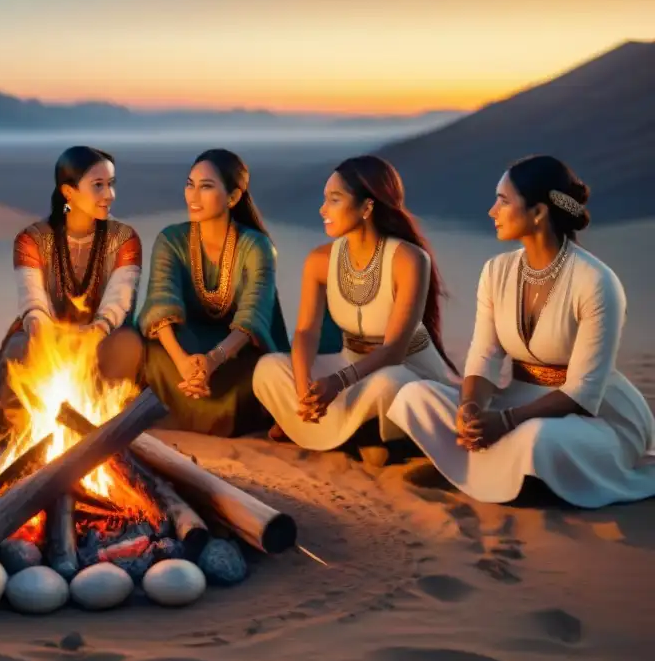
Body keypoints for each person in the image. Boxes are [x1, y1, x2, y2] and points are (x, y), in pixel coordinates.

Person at [389, 155, 655, 507]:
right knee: (416, 395)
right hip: (515, 400)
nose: (491, 211)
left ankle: (481, 469)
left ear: (538, 212)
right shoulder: (496, 271)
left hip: (592, 417)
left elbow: (582, 392)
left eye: (503, 200)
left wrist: (504, 421)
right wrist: (471, 408)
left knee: (537, 438)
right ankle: (493, 468)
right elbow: (483, 356)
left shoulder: (596, 282)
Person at [252, 155, 458, 451]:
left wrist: (337, 382)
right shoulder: (319, 261)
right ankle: (355, 433)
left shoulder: (409, 260)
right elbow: (306, 332)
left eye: (334, 200)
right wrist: (302, 388)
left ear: (366, 207)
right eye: (324, 199)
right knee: (269, 367)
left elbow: (395, 350)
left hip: (404, 369)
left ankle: (347, 434)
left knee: (391, 383)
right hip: (350, 364)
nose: (323, 210)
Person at [0, 146, 144, 439]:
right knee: (21, 351)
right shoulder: (33, 239)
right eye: (98, 186)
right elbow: (33, 301)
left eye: (111, 184)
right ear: (68, 192)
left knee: (129, 348)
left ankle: (100, 428)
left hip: (104, 339)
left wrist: (96, 332)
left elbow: (120, 301)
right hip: (46, 336)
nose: (109, 194)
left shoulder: (124, 239)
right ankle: (25, 433)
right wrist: (48, 336)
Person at [135, 149, 296, 437]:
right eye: (189, 184)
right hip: (181, 349)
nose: (193, 196)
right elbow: (161, 301)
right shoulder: (170, 240)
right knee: (138, 352)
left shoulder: (256, 246)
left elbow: (254, 316)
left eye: (206, 187)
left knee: (254, 379)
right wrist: (184, 362)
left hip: (236, 352)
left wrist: (213, 360)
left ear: (233, 198)